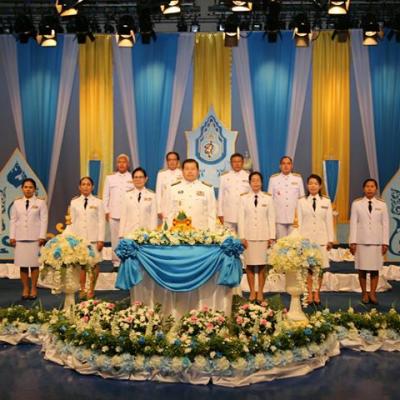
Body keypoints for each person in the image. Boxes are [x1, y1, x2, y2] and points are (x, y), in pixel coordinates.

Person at [349, 178, 389, 305]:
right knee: (362, 269)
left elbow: (385, 224)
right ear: (363, 188)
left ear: (376, 189)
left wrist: (385, 242)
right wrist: (352, 242)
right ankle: (364, 293)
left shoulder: (382, 204)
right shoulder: (357, 204)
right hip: (361, 241)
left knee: (374, 269)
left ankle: (372, 293)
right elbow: (353, 223)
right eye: (367, 186)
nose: (369, 189)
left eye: (372, 186)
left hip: (376, 242)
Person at [238, 172, 275, 302]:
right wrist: (242, 237)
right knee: (249, 265)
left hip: (263, 236)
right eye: (253, 180)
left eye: (258, 180)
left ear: (262, 182)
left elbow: (271, 218)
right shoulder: (243, 198)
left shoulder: (268, 198)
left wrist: (272, 236)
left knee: (262, 266)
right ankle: (252, 292)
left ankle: (260, 292)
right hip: (248, 237)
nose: (255, 183)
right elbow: (241, 219)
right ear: (249, 183)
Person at [297, 174, 334, 305]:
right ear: (307, 186)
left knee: (319, 268)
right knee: (308, 268)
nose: (313, 186)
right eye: (310, 183)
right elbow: (299, 222)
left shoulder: (326, 201)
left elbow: (329, 221)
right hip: (306, 240)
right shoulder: (301, 201)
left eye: (315, 183)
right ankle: (309, 293)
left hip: (321, 239)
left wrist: (330, 239)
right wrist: (299, 240)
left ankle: (316, 293)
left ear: (320, 186)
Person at [9, 178, 48, 300]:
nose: (28, 189)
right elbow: (13, 220)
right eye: (26, 187)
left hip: (35, 238)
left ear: (34, 189)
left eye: (31, 187)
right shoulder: (17, 203)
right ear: (22, 188)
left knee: (34, 265)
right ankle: (25, 288)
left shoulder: (40, 203)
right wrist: (12, 236)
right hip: (20, 238)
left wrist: (42, 236)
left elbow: (44, 220)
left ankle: (33, 288)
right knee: (23, 265)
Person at [69, 177, 105, 300]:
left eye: (88, 184)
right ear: (79, 187)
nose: (85, 187)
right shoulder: (74, 202)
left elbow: (101, 222)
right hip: (79, 239)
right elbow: (72, 222)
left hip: (94, 239)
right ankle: (83, 288)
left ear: (92, 187)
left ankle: (91, 289)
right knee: (81, 265)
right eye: (83, 184)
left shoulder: (98, 202)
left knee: (94, 264)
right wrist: (72, 240)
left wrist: (101, 239)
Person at [165, 159, 216, 231]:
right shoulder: (173, 188)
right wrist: (169, 232)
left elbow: (212, 214)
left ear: (198, 171)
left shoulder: (207, 188)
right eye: (187, 169)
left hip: (201, 231)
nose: (190, 171)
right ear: (182, 171)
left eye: (193, 169)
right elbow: (169, 213)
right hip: (179, 231)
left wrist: (212, 233)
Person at [102, 154, 133, 268]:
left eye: (124, 162)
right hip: (113, 213)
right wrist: (106, 211)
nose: (121, 164)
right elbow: (105, 196)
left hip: (129, 214)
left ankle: (127, 261)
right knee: (115, 239)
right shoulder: (110, 178)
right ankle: (116, 262)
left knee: (127, 237)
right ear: (117, 164)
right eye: (119, 162)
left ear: (128, 164)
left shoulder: (133, 177)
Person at [267, 156, 305, 238]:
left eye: (288, 163)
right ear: (280, 166)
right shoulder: (273, 179)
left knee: (294, 243)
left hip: (294, 218)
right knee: (280, 243)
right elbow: (269, 200)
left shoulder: (298, 178)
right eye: (283, 163)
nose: (286, 166)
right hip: (279, 217)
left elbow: (302, 199)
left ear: (292, 166)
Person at [119, 167, 158, 237]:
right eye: (136, 177)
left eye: (141, 177)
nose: (138, 180)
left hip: (146, 235)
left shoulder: (152, 195)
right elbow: (123, 216)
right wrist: (121, 234)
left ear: (146, 179)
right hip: (129, 234)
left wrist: (153, 235)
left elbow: (153, 218)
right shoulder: (126, 195)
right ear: (132, 179)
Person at [218, 153, 250, 232]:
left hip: (244, 214)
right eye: (234, 162)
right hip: (228, 214)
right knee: (229, 237)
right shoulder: (224, 177)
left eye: (239, 161)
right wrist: (220, 213)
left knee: (243, 237)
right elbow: (221, 196)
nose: (237, 164)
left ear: (243, 163)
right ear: (231, 163)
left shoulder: (249, 176)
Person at [155, 152, 182, 220]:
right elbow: (158, 193)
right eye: (169, 160)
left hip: (179, 207)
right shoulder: (161, 174)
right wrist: (158, 210)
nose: (172, 162)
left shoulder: (182, 173)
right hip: (165, 207)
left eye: (174, 159)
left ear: (178, 161)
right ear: (167, 162)